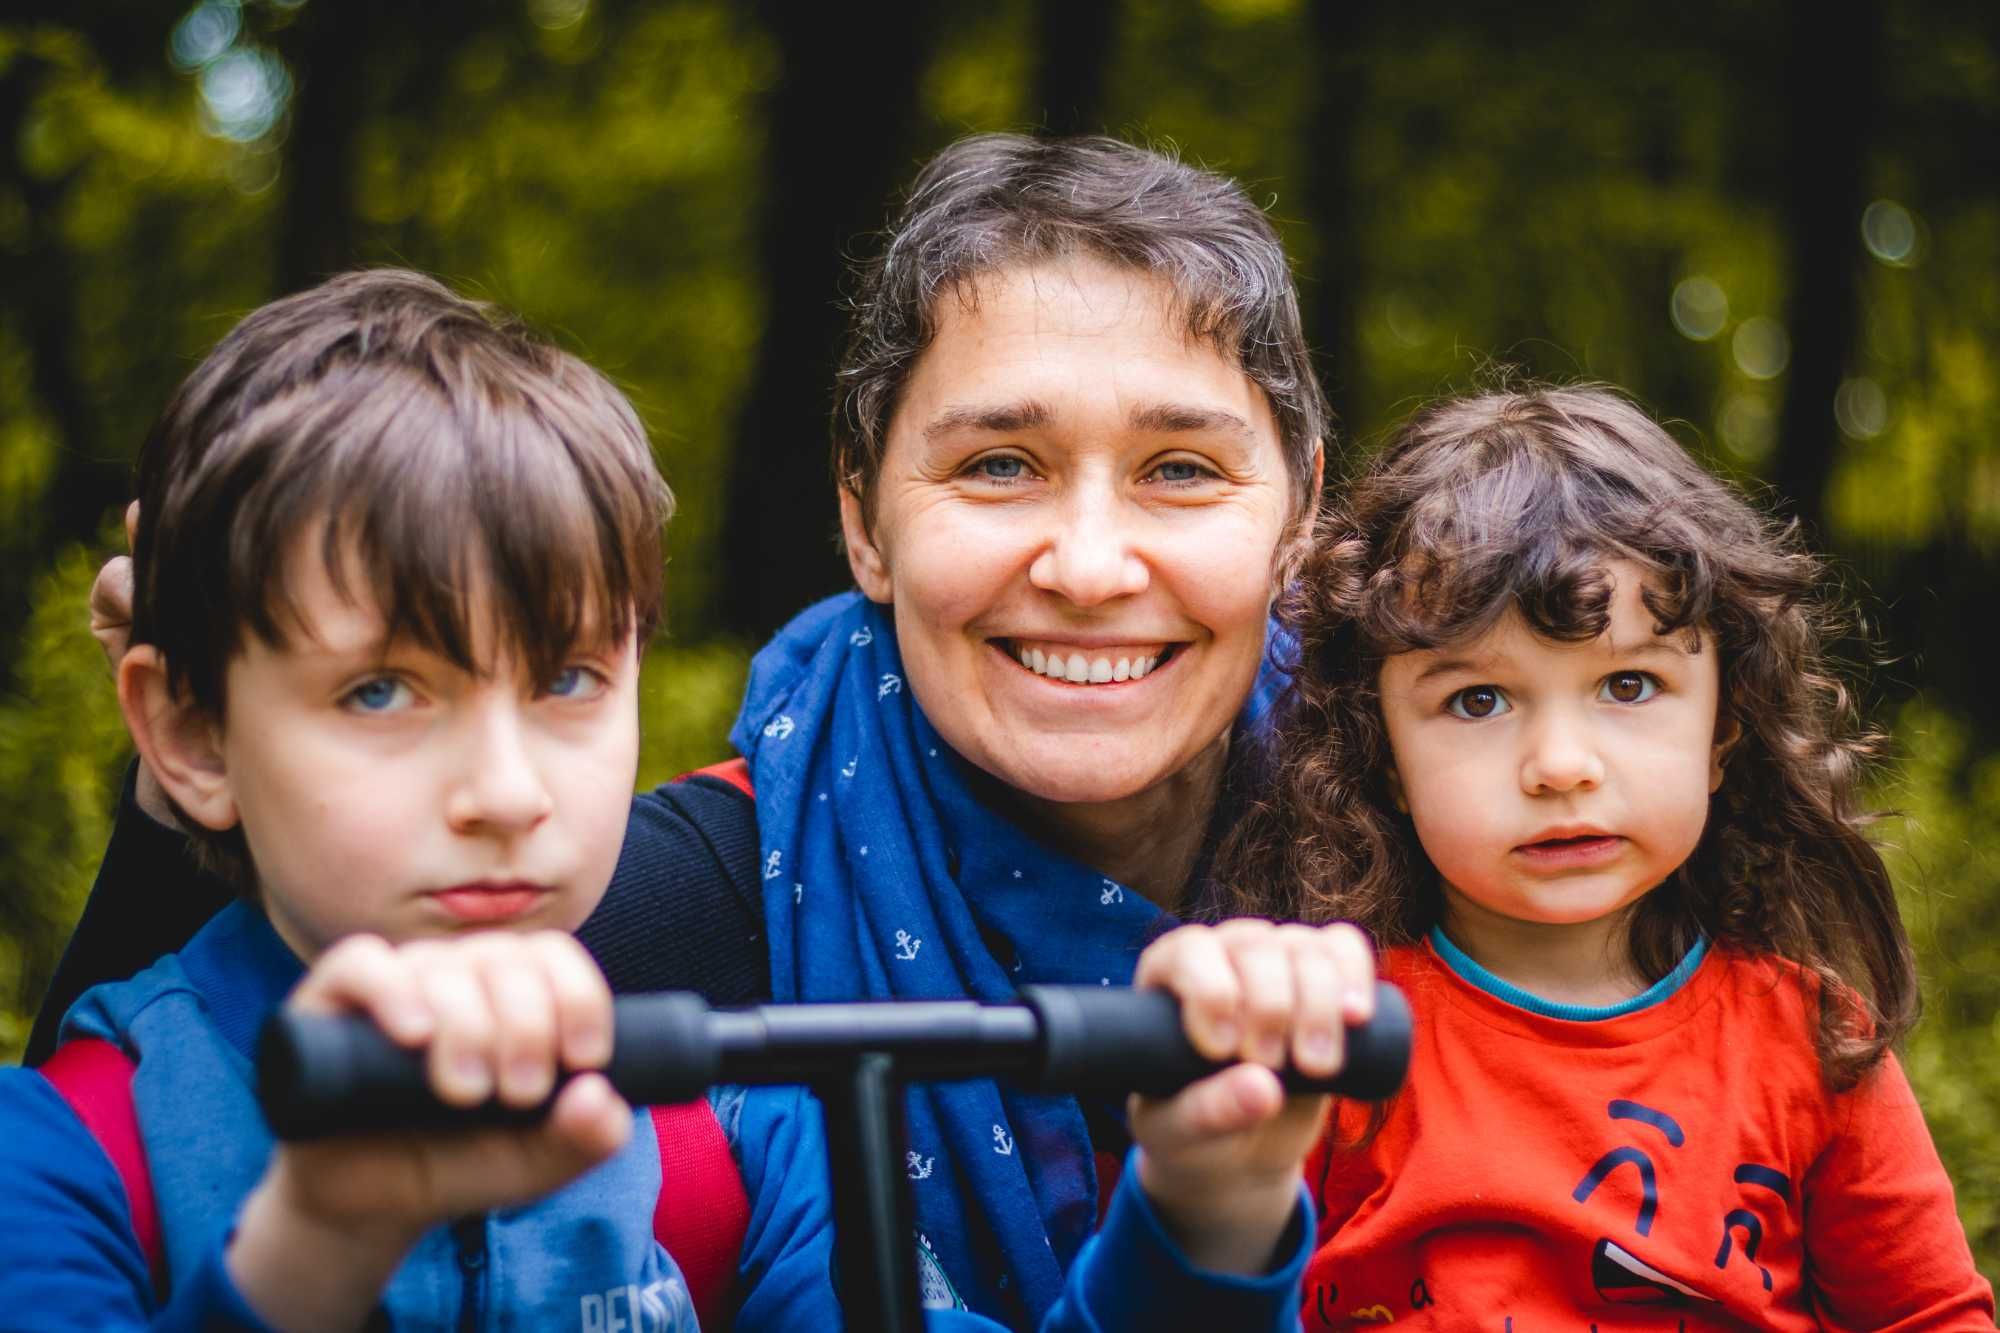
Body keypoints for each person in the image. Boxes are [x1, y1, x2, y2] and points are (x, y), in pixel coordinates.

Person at [35, 134, 1371, 1328]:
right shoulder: (655, 923)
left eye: (1182, 468)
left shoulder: (1472, 824)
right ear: (861, 513)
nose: (1088, 565)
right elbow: (158, 1067)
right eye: (997, 464)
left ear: (1300, 505)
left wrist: (1209, 1209)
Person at [1211, 385, 1995, 1327]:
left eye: (1629, 683)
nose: (1561, 766)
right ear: (1381, 755)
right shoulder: (1327, 1033)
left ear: (1724, 729)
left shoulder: (1813, 1044)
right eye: (1477, 700)